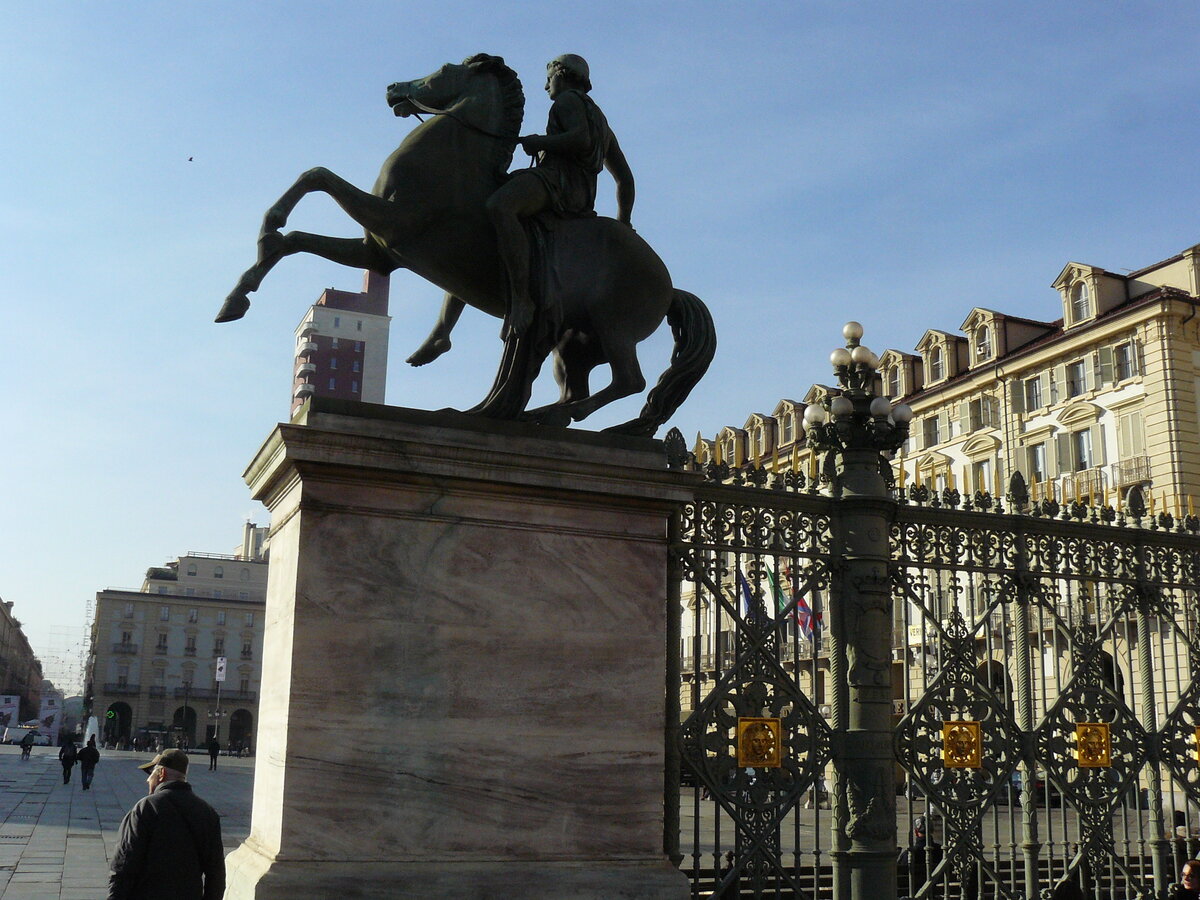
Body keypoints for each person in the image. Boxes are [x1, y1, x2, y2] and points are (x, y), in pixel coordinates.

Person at [484, 53, 634, 341]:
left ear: (562, 75)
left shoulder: (568, 101)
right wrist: (624, 222)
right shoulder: (604, 124)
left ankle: (520, 299)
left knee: (499, 206)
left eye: (549, 78)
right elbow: (625, 179)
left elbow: (580, 139)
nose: (546, 86)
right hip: (582, 197)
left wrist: (539, 141)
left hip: (557, 184)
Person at [107, 748, 225, 900]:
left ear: (161, 774)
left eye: (151, 774)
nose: (148, 780)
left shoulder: (145, 809)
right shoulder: (208, 813)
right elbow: (216, 875)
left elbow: (124, 865)